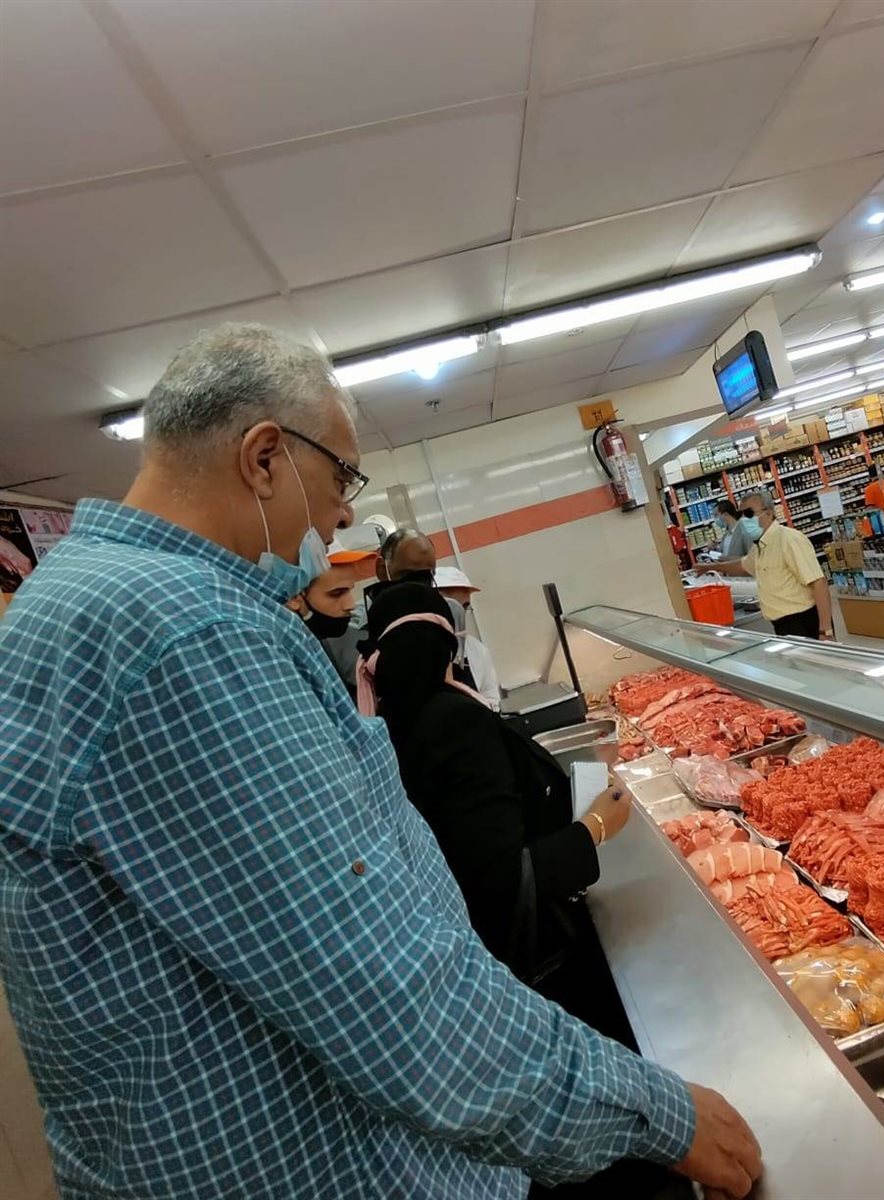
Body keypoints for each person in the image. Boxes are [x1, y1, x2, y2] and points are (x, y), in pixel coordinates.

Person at [0, 323, 761, 1200]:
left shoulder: (89, 599)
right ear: (263, 459)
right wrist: (657, 1115)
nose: (341, 517)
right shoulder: (183, 632)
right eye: (340, 478)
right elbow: (382, 987)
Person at [357, 582, 688, 1200]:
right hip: (537, 965)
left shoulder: (389, 722)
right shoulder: (453, 721)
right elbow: (499, 876)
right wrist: (594, 828)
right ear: (444, 647)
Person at [708, 490, 835, 640]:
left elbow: (818, 583)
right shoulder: (760, 545)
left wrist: (825, 631)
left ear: (768, 513)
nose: (743, 520)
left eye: (749, 513)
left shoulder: (789, 539)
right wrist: (711, 567)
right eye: (741, 514)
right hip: (782, 625)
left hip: (803, 621)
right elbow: (743, 566)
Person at [287, 546, 378, 694]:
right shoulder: (284, 659)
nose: (351, 604)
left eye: (349, 590)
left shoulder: (314, 643)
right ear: (295, 597)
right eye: (336, 594)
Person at [435, 564, 501, 709]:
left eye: (464, 607)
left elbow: (492, 699)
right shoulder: (418, 654)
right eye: (453, 607)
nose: (459, 615)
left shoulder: (477, 651)